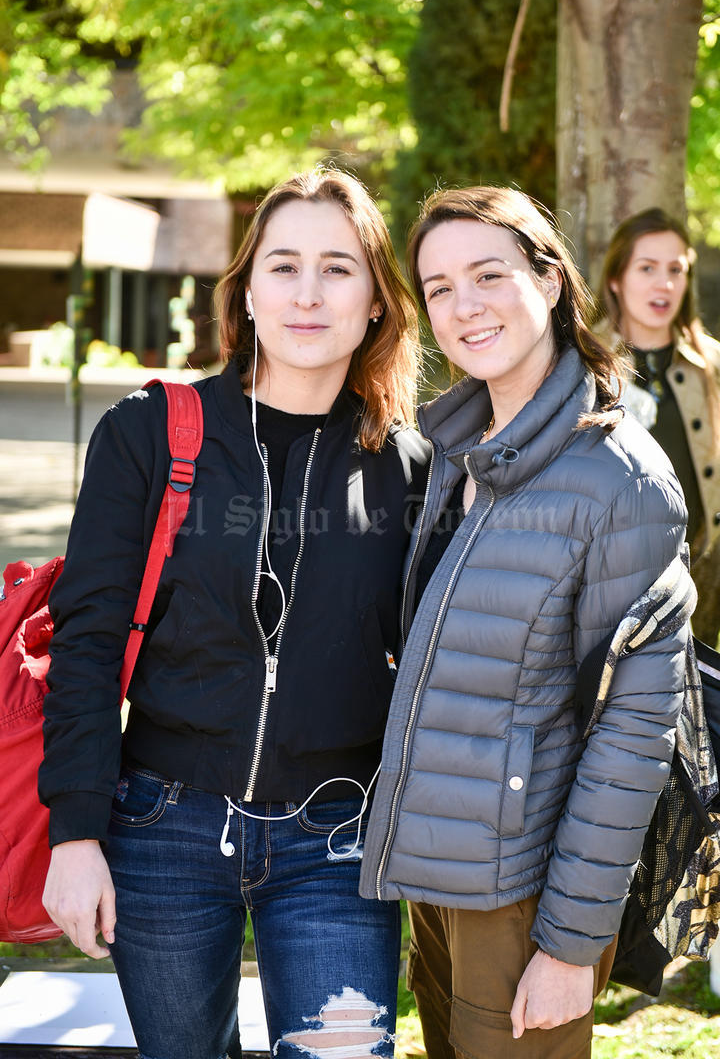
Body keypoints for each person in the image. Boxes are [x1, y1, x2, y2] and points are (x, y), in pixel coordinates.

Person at [39, 167, 429, 1059]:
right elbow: (89, 640)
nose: (306, 293)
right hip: (160, 829)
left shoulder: (410, 466)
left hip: (337, 837)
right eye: (283, 265)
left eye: (338, 269)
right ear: (247, 290)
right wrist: (75, 832)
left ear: (375, 301)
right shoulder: (149, 431)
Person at [358, 186, 690, 1059]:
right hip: (437, 880)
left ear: (549, 281)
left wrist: (571, 946)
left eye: (487, 274)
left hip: (522, 896)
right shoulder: (452, 451)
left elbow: (634, 732)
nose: (463, 306)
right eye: (437, 288)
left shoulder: (623, 478)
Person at [596, 208, 720, 647]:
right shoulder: (584, 365)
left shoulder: (712, 367)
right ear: (616, 278)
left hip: (702, 575)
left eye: (675, 270)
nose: (663, 284)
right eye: (646, 268)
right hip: (611, 579)